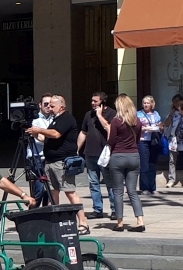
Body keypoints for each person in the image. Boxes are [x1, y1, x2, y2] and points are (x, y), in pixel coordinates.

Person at [26, 95, 89, 233]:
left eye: (52, 106)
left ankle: (83, 223)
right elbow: (44, 138)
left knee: (70, 192)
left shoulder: (66, 118)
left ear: (61, 107)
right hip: (50, 162)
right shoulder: (54, 120)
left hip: (62, 162)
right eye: (47, 105)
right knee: (52, 192)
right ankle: (53, 221)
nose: (49, 108)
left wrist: (39, 130)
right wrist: (33, 132)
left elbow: (55, 134)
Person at [107, 95, 145, 232]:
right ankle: (140, 221)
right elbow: (138, 140)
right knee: (132, 191)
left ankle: (120, 222)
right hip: (134, 156)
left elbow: (111, 141)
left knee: (118, 191)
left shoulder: (116, 121)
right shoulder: (138, 121)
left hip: (118, 156)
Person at [78, 91, 116, 220]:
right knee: (93, 183)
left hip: (104, 154)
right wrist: (77, 148)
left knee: (109, 183)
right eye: (92, 101)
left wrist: (100, 116)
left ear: (103, 102)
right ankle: (97, 209)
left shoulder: (112, 114)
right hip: (90, 153)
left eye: (96, 101)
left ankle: (115, 209)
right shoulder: (88, 115)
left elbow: (109, 128)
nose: (93, 103)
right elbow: (84, 132)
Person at [25, 94, 53, 205]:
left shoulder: (54, 118)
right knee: (39, 188)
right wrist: (52, 137)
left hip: (49, 157)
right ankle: (34, 211)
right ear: (40, 105)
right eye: (46, 104)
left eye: (51, 104)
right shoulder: (34, 120)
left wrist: (41, 133)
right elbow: (40, 139)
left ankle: (45, 213)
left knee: (49, 189)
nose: (48, 107)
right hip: (37, 156)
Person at [137, 96, 162, 195]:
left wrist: (159, 127)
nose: (146, 105)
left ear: (152, 104)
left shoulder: (156, 114)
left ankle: (153, 187)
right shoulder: (138, 114)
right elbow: (136, 127)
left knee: (152, 164)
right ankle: (144, 188)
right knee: (144, 165)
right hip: (143, 141)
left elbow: (160, 125)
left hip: (154, 140)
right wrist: (145, 129)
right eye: (144, 103)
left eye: (148, 103)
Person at [163, 94, 183, 188]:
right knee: (172, 160)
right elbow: (167, 123)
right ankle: (171, 179)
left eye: (178, 101)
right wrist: (171, 113)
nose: (176, 103)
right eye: (174, 102)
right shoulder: (173, 113)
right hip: (173, 138)